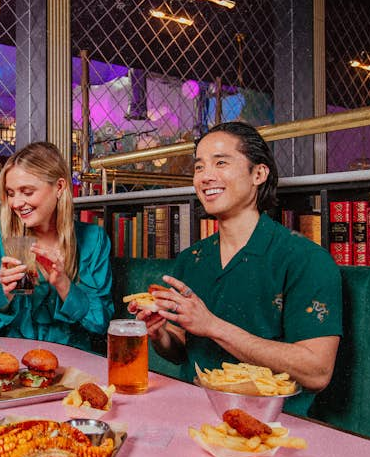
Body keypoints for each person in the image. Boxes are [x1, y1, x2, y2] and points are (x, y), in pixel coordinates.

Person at [129, 121, 342, 415]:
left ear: (258, 173)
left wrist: (212, 326)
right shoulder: (191, 259)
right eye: (199, 167)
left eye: (221, 163)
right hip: (190, 413)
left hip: (272, 425)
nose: (206, 177)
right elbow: (180, 351)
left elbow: (317, 371)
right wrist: (160, 333)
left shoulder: (305, 259)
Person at [0, 142, 113, 352]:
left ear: (59, 187)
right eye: (11, 193)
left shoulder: (93, 239)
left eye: (27, 192)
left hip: (75, 361)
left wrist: (64, 284)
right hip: (14, 358)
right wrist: (6, 292)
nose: (16, 203)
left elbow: (101, 324)